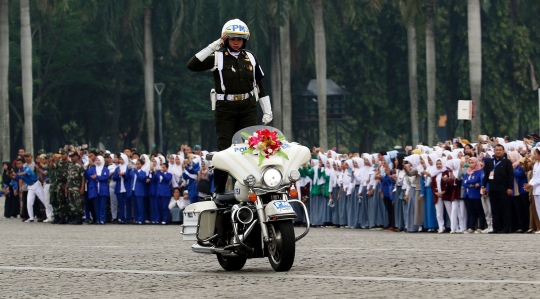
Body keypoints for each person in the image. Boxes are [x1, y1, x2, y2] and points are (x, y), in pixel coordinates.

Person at [187, 19, 272, 194]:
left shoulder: (250, 57)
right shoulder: (217, 57)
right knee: (226, 150)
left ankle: (248, 187)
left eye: (239, 39)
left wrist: (267, 110)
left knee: (249, 148)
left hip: (248, 107)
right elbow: (192, 65)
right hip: (225, 108)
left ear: (244, 41)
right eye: (232, 38)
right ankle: (219, 190)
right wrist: (215, 45)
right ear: (226, 39)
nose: (235, 42)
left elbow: (260, 85)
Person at [482, 144, 514, 234]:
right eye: (497, 150)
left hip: (504, 189)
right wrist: (483, 186)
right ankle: (496, 228)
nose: (498, 151)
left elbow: (510, 176)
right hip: (493, 188)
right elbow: (486, 175)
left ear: (503, 151)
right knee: (495, 209)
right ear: (494, 151)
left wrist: (510, 187)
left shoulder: (507, 162)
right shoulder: (490, 162)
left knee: (505, 209)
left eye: (500, 150)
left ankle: (506, 228)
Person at [14, 159, 46, 223]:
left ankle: (51, 215)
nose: (18, 165)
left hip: (36, 184)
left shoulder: (26, 168)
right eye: (17, 164)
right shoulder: (19, 172)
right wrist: (10, 174)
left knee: (44, 200)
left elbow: (24, 173)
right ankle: (31, 218)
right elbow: (15, 178)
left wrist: (17, 175)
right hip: (30, 187)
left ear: (22, 163)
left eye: (19, 163)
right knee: (29, 202)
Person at [66, 153, 85, 224]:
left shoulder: (80, 166)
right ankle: (75, 218)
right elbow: (68, 177)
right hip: (70, 187)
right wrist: (66, 187)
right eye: (71, 157)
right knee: (72, 203)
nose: (72, 158)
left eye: (73, 157)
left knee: (78, 203)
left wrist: (82, 188)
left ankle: (79, 219)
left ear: (77, 157)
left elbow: (83, 177)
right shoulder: (70, 166)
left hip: (77, 188)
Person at [95, 156, 110, 224]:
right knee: (96, 205)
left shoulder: (105, 169)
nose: (97, 161)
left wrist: (97, 177)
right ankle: (98, 219)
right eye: (97, 160)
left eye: (99, 160)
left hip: (103, 189)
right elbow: (89, 175)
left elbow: (105, 178)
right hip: (95, 189)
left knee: (103, 205)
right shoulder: (93, 169)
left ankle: (102, 219)